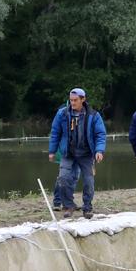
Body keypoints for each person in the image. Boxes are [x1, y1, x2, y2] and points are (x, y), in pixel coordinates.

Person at [48, 87, 107, 219]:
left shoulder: (94, 115)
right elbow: (55, 133)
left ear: (83, 99)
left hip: (86, 154)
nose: (72, 103)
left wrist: (99, 150)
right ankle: (68, 205)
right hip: (68, 153)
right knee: (63, 178)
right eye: (71, 100)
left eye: (75, 100)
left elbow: (100, 134)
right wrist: (52, 151)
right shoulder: (62, 114)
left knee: (88, 181)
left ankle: (87, 207)